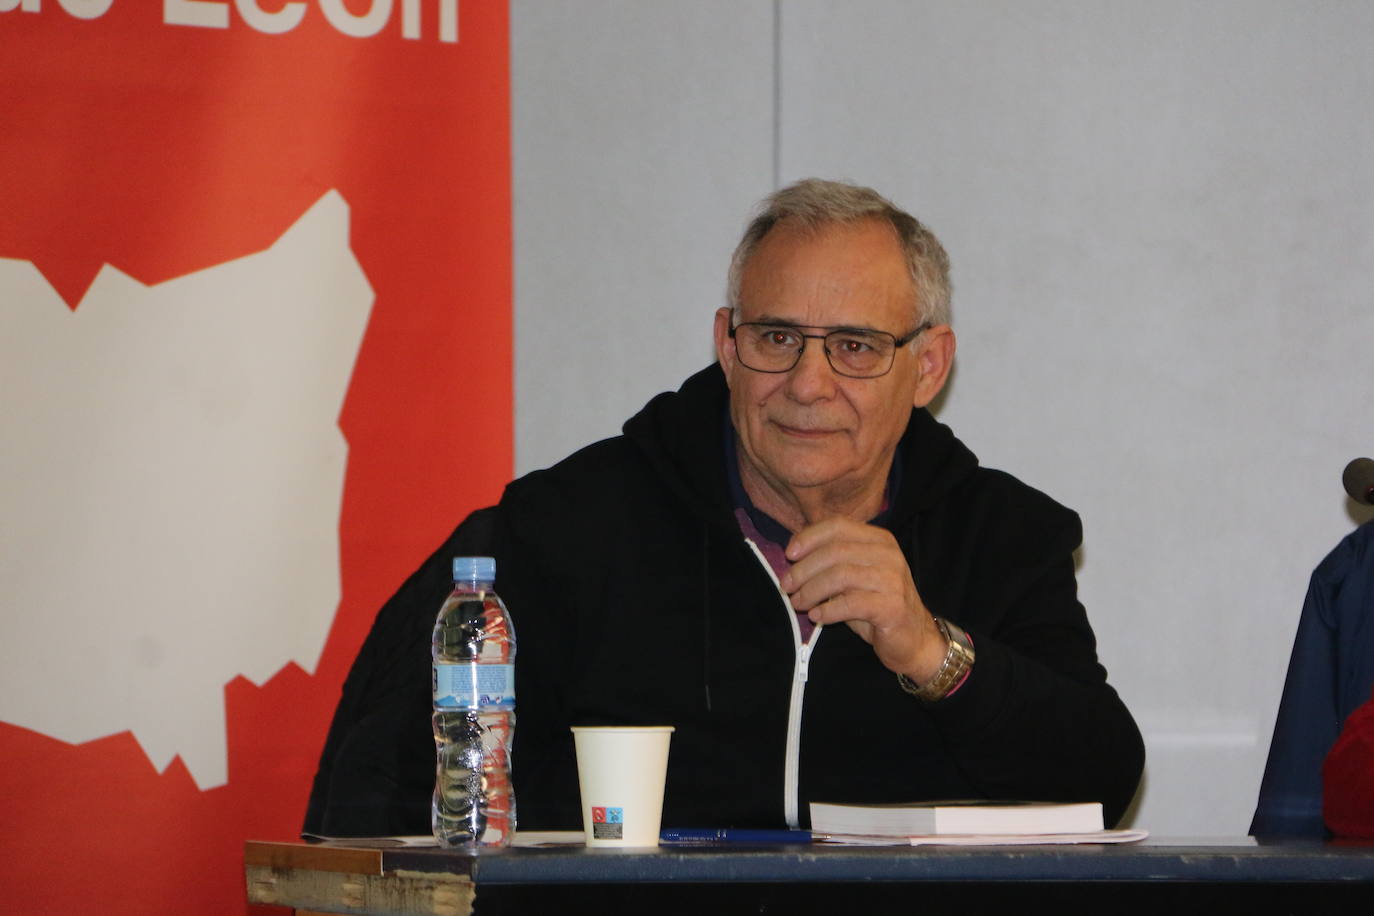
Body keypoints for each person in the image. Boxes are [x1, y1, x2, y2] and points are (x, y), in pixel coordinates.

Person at [304, 179, 1144, 837]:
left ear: (928, 369)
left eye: (855, 347)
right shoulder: (566, 530)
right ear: (727, 343)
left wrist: (930, 650)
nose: (809, 385)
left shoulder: (1002, 537)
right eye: (777, 338)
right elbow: (382, 788)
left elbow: (1100, 781)